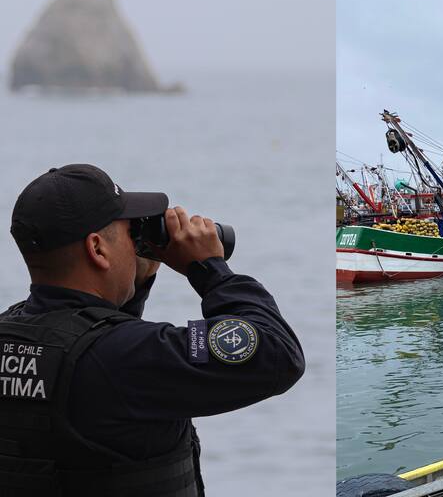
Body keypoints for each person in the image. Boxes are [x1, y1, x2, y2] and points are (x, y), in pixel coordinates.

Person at [0, 164, 305, 497]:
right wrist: (210, 269)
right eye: (129, 233)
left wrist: (134, 286)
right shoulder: (127, 358)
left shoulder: (13, 333)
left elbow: (94, 355)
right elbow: (277, 353)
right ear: (98, 248)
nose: (135, 244)